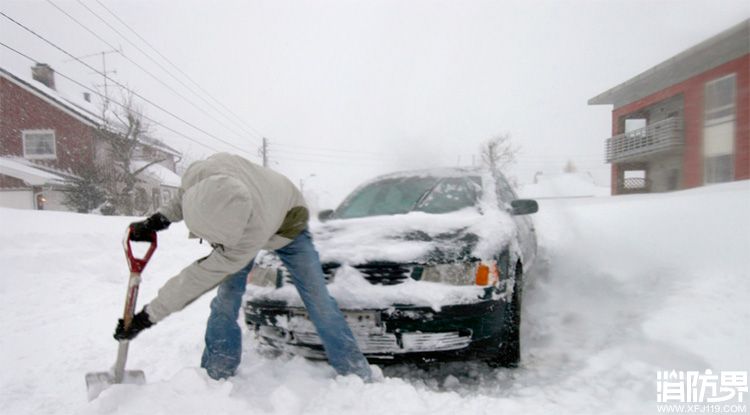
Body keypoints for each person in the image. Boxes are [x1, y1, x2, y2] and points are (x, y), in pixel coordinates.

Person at [114, 152, 372, 381]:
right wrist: (156, 221)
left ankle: (355, 372)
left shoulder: (248, 236)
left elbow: (196, 279)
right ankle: (217, 372)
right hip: (261, 201)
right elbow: (184, 197)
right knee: (226, 300)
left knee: (317, 301)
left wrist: (146, 317)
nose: (215, 244)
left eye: (219, 240)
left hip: (289, 223)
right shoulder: (202, 173)